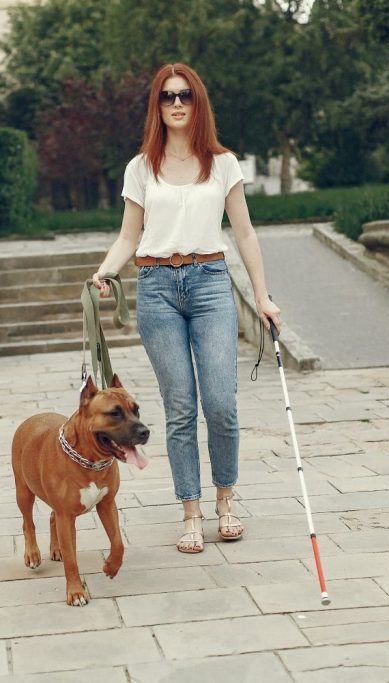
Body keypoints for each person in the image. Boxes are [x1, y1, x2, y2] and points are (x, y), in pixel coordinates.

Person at [91, 63, 281, 553]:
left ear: (199, 104)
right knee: (180, 409)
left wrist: (262, 295)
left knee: (220, 403)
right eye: (168, 96)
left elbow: (244, 233)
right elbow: (129, 236)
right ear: (157, 105)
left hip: (210, 283)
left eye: (187, 96)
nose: (177, 103)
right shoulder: (141, 168)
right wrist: (106, 272)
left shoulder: (223, 164)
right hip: (156, 286)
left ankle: (226, 503)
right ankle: (191, 514)